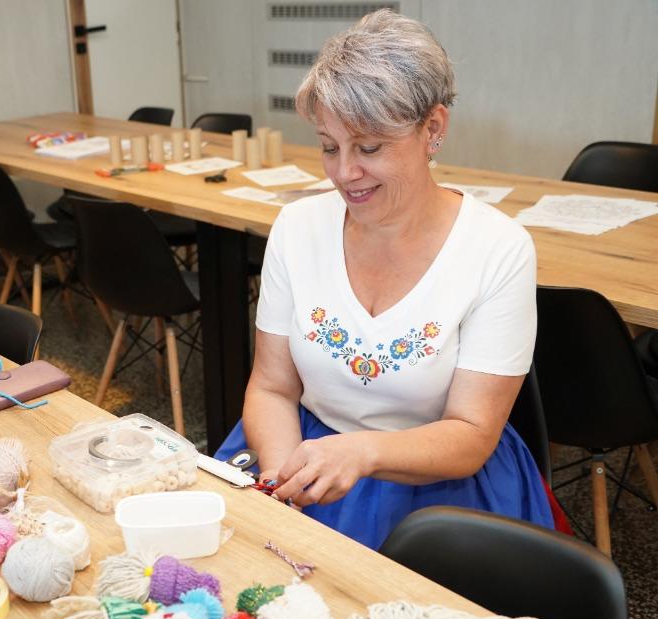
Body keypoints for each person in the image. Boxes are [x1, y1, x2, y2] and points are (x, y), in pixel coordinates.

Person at [214, 9, 553, 549]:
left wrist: (361, 452)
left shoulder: (497, 249)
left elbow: (471, 434)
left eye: (369, 148)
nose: (344, 173)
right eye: (329, 147)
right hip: (304, 451)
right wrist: (284, 484)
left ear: (433, 129)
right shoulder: (298, 227)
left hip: (437, 482)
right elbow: (273, 387)